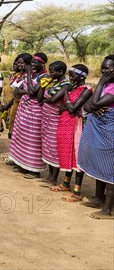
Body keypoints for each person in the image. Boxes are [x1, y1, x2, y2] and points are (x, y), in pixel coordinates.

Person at [78, 55, 114, 220]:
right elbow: (88, 105)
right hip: (99, 131)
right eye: (103, 68)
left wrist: (99, 84)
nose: (105, 71)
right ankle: (98, 198)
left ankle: (108, 210)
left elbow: (94, 103)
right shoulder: (106, 85)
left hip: (109, 131)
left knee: (109, 168)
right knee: (99, 163)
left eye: (109, 68)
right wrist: (94, 105)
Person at [8, 53, 50, 179]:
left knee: (33, 139)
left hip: (35, 112)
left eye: (35, 62)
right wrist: (28, 91)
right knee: (22, 137)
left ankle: (34, 169)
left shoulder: (45, 77)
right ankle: (23, 165)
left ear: (42, 64)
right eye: (31, 62)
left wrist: (28, 90)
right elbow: (18, 91)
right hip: (24, 109)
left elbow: (33, 92)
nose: (32, 64)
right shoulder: (30, 75)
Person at [57, 64, 93, 202]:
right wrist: (68, 103)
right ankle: (66, 184)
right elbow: (61, 109)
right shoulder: (74, 89)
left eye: (73, 75)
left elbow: (72, 108)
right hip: (66, 124)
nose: (70, 78)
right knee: (68, 154)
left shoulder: (86, 90)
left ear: (82, 76)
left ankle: (77, 192)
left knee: (77, 157)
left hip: (77, 126)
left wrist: (65, 93)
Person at [38, 61, 70, 187]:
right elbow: (41, 99)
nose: (50, 74)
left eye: (52, 72)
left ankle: (54, 179)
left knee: (54, 148)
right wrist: (42, 86)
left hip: (55, 119)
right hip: (47, 120)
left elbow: (53, 99)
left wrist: (46, 100)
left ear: (61, 72)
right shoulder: (54, 83)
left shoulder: (66, 85)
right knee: (47, 147)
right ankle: (49, 177)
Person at [1, 54, 26, 140]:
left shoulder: (25, 77)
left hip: (16, 105)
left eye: (18, 64)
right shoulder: (14, 76)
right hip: (8, 103)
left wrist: (7, 106)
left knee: (15, 129)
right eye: (15, 64)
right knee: (9, 126)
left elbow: (17, 94)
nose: (16, 66)